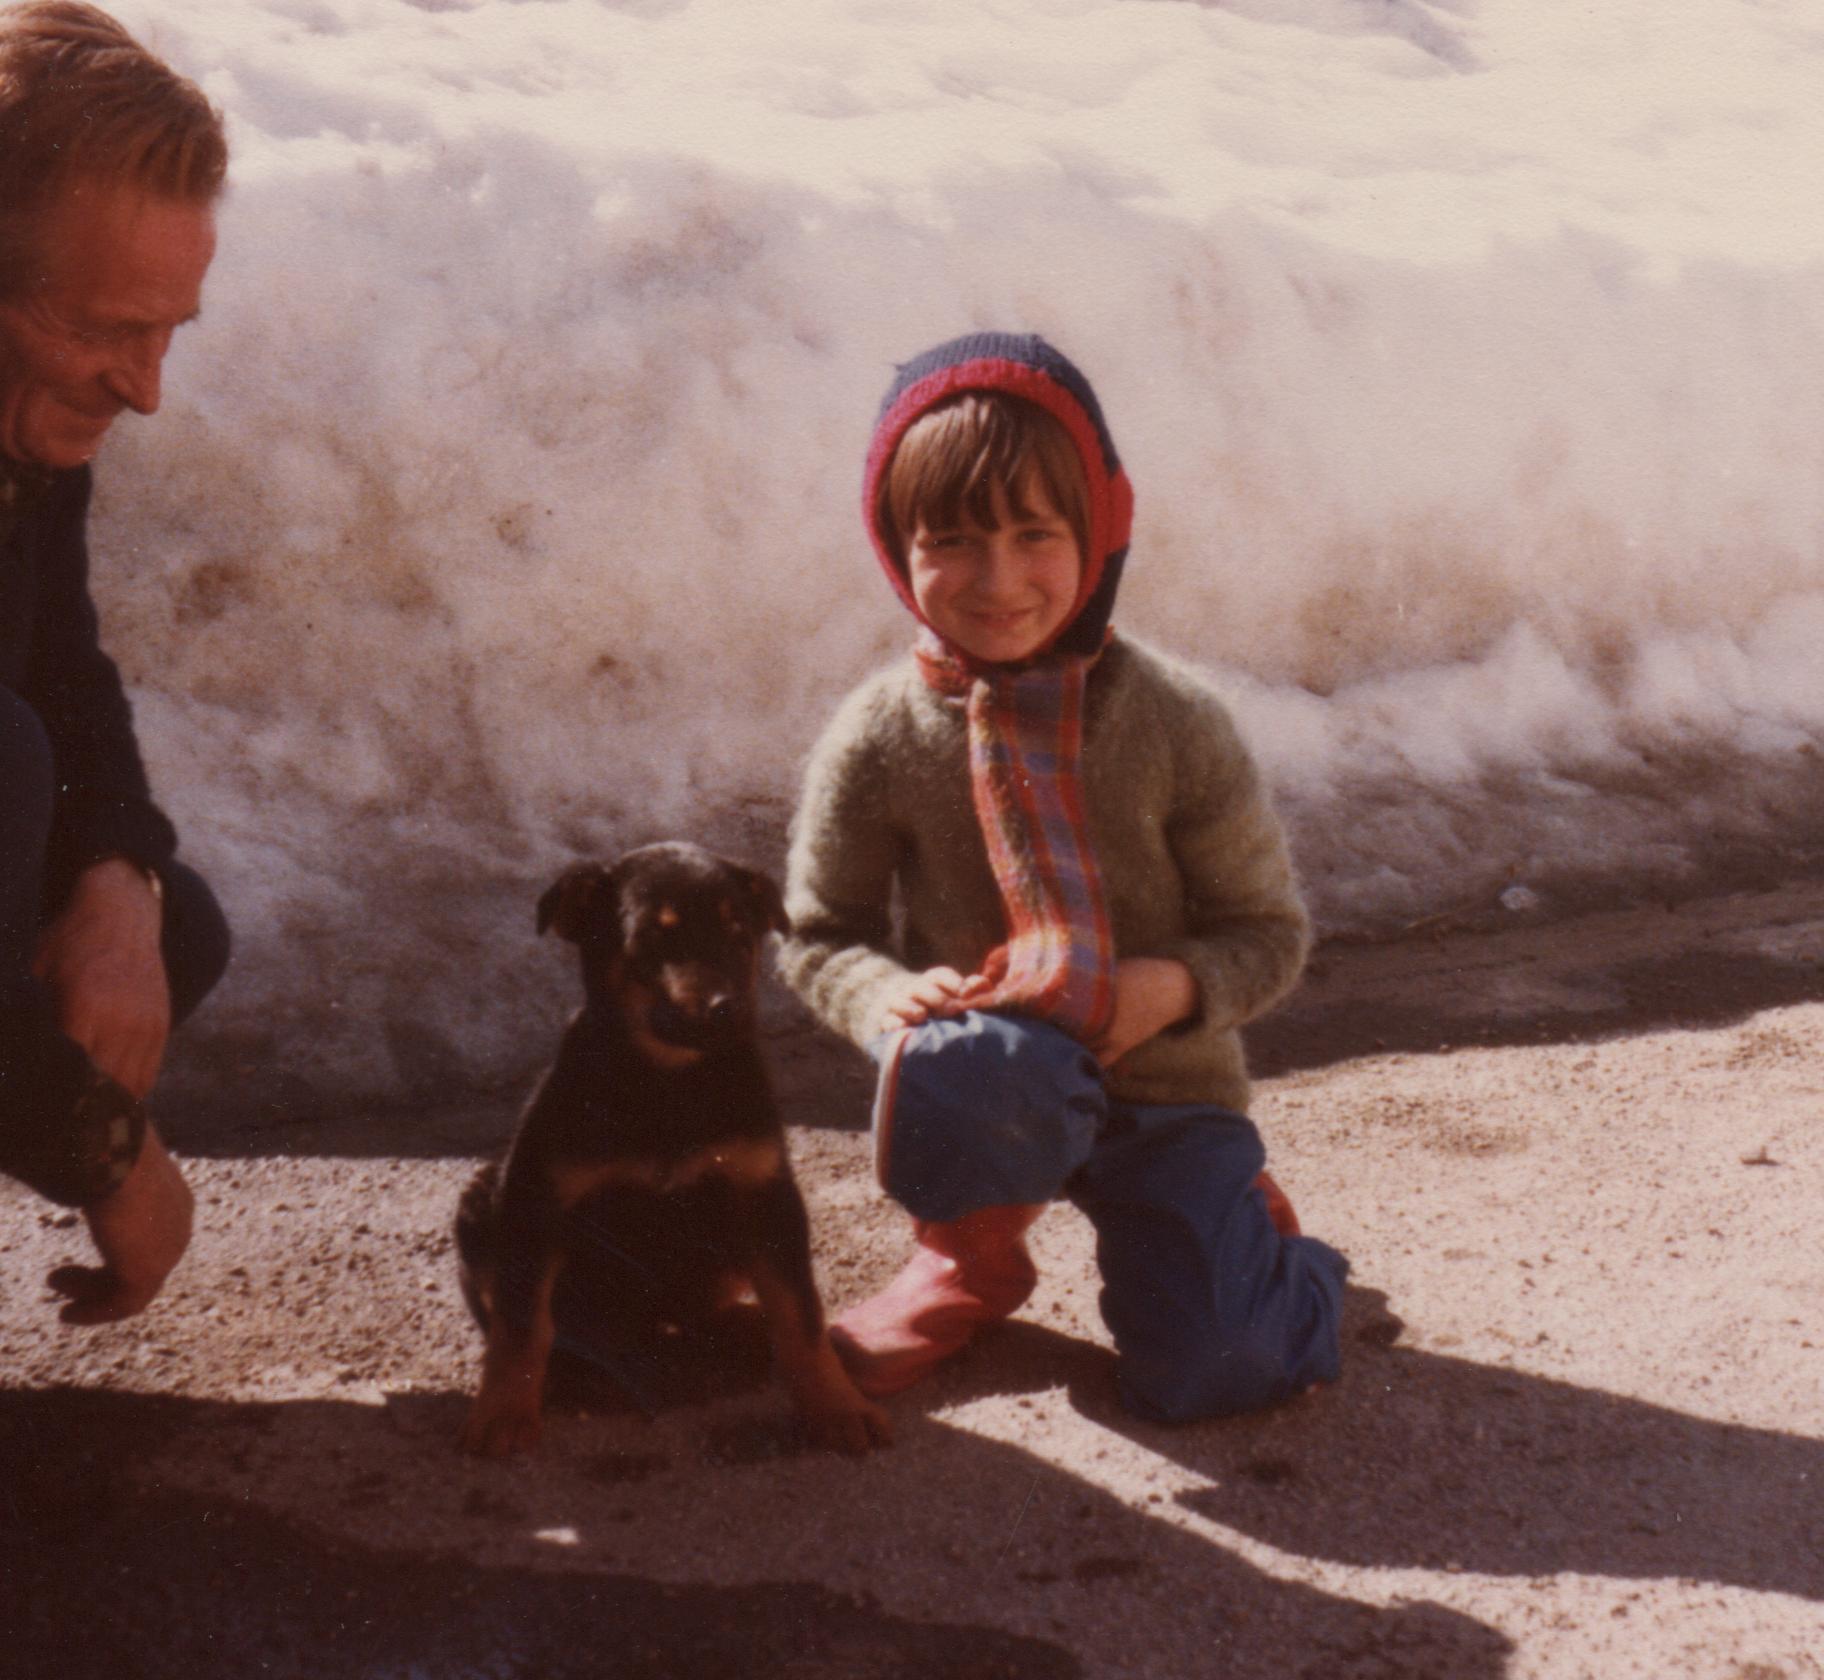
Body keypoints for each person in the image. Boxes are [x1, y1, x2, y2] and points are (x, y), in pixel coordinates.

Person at [779, 332, 1346, 1423]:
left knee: (1216, 1368)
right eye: (952, 541)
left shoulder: (1176, 720)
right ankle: (968, 1258)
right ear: (897, 548)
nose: (997, 582)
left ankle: (1270, 1257)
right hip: (997, 1091)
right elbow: (819, 933)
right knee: (970, 1065)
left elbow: (1266, 932)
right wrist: (885, 998)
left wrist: (1170, 989)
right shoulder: (881, 733)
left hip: (1165, 1087)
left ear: (1098, 532)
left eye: (1034, 534)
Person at [0, 2, 230, 1323]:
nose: (145, 389)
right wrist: (111, 1154)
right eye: (103, 330)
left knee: (162, 931)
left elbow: (63, 666)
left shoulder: (24, 425)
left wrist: (118, 880)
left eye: (169, 331)